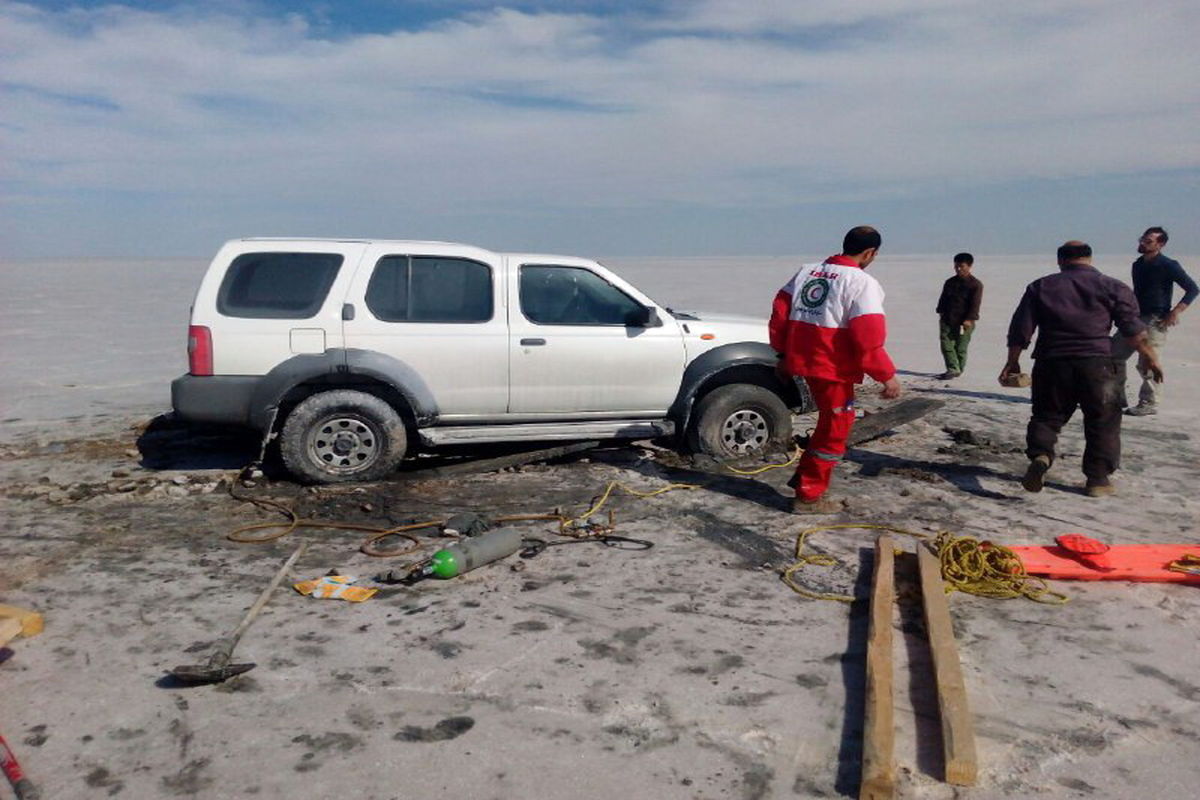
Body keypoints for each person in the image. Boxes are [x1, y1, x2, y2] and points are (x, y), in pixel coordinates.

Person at [1001, 240, 1163, 498]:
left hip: (1052, 362)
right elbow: (1131, 327)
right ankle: (1097, 479)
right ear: (1089, 259)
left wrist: (1012, 361)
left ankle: (1042, 455)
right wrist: (1149, 356)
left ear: (1060, 260)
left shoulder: (1041, 286)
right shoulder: (1112, 286)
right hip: (1098, 364)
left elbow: (1021, 328)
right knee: (1104, 420)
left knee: (1047, 416)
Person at [770, 226, 902, 513]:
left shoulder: (807, 272)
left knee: (828, 424)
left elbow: (780, 313)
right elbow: (868, 335)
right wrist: (886, 375)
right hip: (831, 368)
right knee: (834, 429)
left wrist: (782, 354)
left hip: (802, 361)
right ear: (870, 253)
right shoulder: (861, 283)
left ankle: (804, 478)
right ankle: (809, 495)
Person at [1111, 226, 1197, 416]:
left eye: (1148, 241)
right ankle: (1115, 397)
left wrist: (1176, 312)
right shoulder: (1138, 264)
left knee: (1148, 362)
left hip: (1155, 319)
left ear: (1160, 244)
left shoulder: (1168, 265)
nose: (1142, 243)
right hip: (1133, 317)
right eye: (1142, 239)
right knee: (1113, 355)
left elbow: (1192, 289)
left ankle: (1149, 403)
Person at [934, 252, 984, 380]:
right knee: (946, 344)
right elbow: (943, 298)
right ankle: (952, 368)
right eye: (956, 266)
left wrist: (970, 319)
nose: (958, 269)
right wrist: (940, 311)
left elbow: (975, 304)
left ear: (969, 266)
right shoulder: (950, 282)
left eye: (962, 266)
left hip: (965, 322)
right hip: (947, 319)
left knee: (961, 347)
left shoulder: (975, 285)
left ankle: (958, 369)